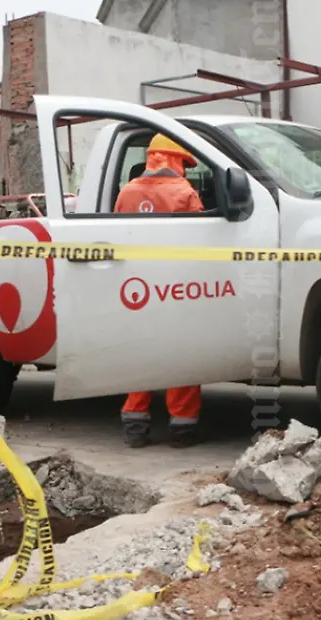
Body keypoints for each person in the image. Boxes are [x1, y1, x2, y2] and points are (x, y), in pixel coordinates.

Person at [114, 134, 205, 449]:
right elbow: (201, 245)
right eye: (185, 165)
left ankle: (134, 425)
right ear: (175, 159)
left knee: (141, 353)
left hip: (135, 287)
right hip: (175, 287)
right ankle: (182, 429)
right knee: (181, 355)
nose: (187, 173)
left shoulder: (126, 193)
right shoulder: (185, 194)